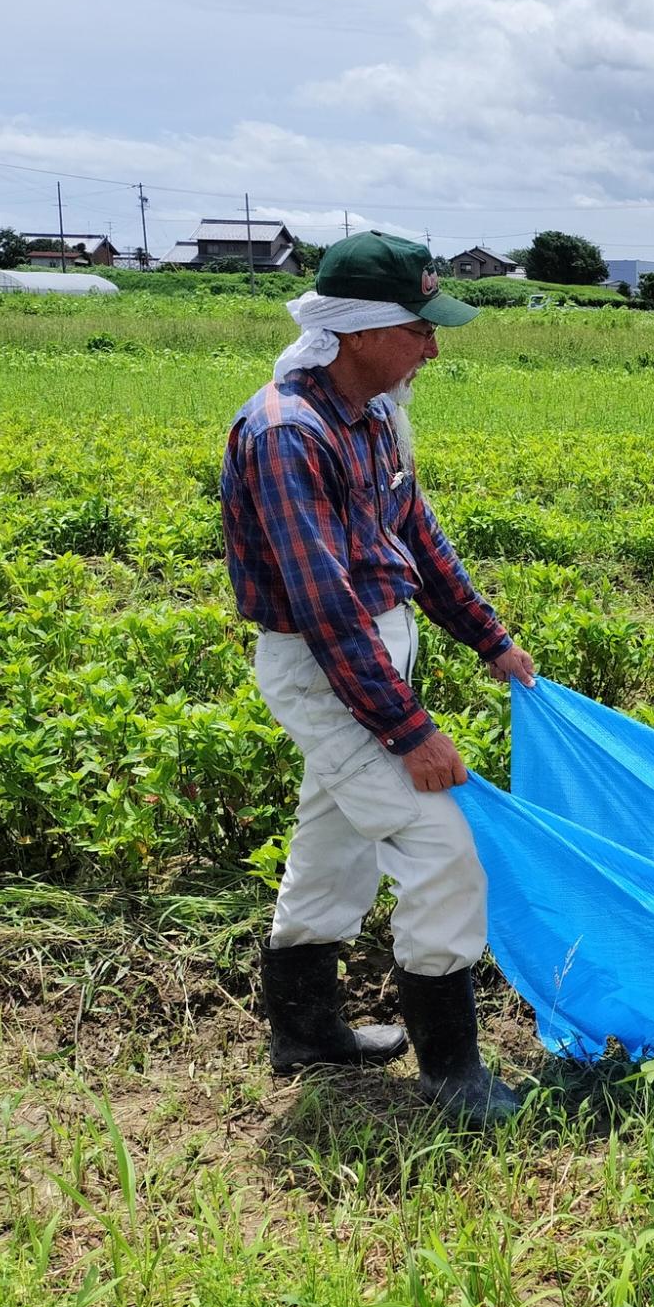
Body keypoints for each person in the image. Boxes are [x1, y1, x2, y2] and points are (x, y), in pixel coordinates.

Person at [221, 230, 536, 1126]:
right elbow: (325, 611)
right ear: (357, 331)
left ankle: (307, 1031)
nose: (434, 347)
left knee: (334, 840)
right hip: (331, 669)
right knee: (446, 850)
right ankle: (451, 1070)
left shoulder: (376, 415)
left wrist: (491, 641)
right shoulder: (288, 436)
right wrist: (411, 732)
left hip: (373, 654)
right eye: (419, 329)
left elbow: (419, 544)